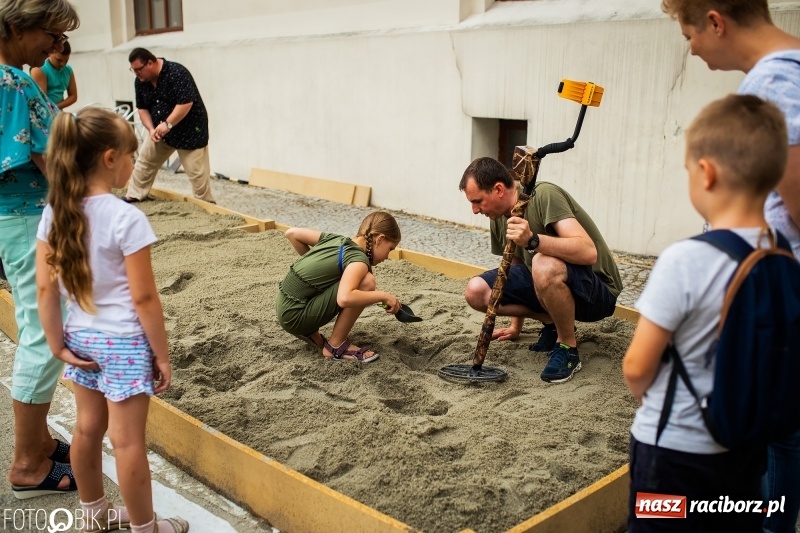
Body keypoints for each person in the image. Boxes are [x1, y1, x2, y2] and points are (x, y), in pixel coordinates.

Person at [661, 2, 800, 531]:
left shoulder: (773, 84)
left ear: (716, 22)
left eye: (689, 34)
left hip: (769, 295)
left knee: (767, 429)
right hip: (776, 290)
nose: (691, 48)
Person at [623, 94, 786, 532]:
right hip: (745, 448)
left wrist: (646, 396)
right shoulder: (781, 256)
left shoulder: (685, 259)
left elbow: (637, 366)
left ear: (706, 172)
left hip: (673, 456)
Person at [36, 107, 189, 533]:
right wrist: (162, 355)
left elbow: (45, 289)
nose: (133, 163)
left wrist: (56, 343)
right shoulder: (127, 218)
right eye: (131, 156)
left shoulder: (54, 213)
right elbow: (144, 298)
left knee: (86, 429)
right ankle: (145, 527)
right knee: (127, 442)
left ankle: (96, 514)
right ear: (109, 158)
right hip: (123, 342)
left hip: (80, 335)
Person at [0, 0, 79, 498]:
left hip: (15, 217)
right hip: (30, 216)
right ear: (16, 26)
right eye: (50, 34)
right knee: (46, 330)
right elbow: (43, 157)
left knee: (41, 322)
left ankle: (41, 442)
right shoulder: (12, 81)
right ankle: (28, 463)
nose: (55, 45)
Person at [459, 157, 622, 383]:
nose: (475, 210)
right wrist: (515, 326)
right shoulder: (499, 217)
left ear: (498, 189)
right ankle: (552, 324)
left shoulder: (544, 195)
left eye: (477, 201)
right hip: (550, 287)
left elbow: (588, 252)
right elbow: (515, 268)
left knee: (542, 262)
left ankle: (568, 347)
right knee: (476, 291)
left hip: (596, 292)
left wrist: (533, 240)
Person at [276, 211, 403, 362]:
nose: (388, 257)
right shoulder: (358, 260)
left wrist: (314, 264)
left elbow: (292, 233)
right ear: (379, 239)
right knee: (367, 282)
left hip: (284, 305)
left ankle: (308, 330)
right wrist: (383, 296)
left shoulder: (335, 239)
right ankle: (336, 345)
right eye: (390, 249)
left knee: (346, 280)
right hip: (294, 317)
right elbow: (345, 298)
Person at [123, 47, 215, 204]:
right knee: (145, 161)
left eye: (138, 69)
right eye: (133, 70)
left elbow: (186, 103)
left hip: (189, 131)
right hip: (160, 131)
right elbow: (142, 108)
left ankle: (206, 205)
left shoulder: (176, 73)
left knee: (197, 174)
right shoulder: (141, 81)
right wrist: (151, 129)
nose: (136, 74)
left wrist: (168, 124)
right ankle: (134, 194)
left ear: (150, 63)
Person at [30, 40, 77, 110]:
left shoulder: (68, 70)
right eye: (59, 60)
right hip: (45, 112)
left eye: (66, 61)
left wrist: (56, 108)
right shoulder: (39, 69)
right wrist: (54, 109)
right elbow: (41, 100)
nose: (63, 64)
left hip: (57, 112)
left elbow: (73, 96)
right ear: (50, 52)